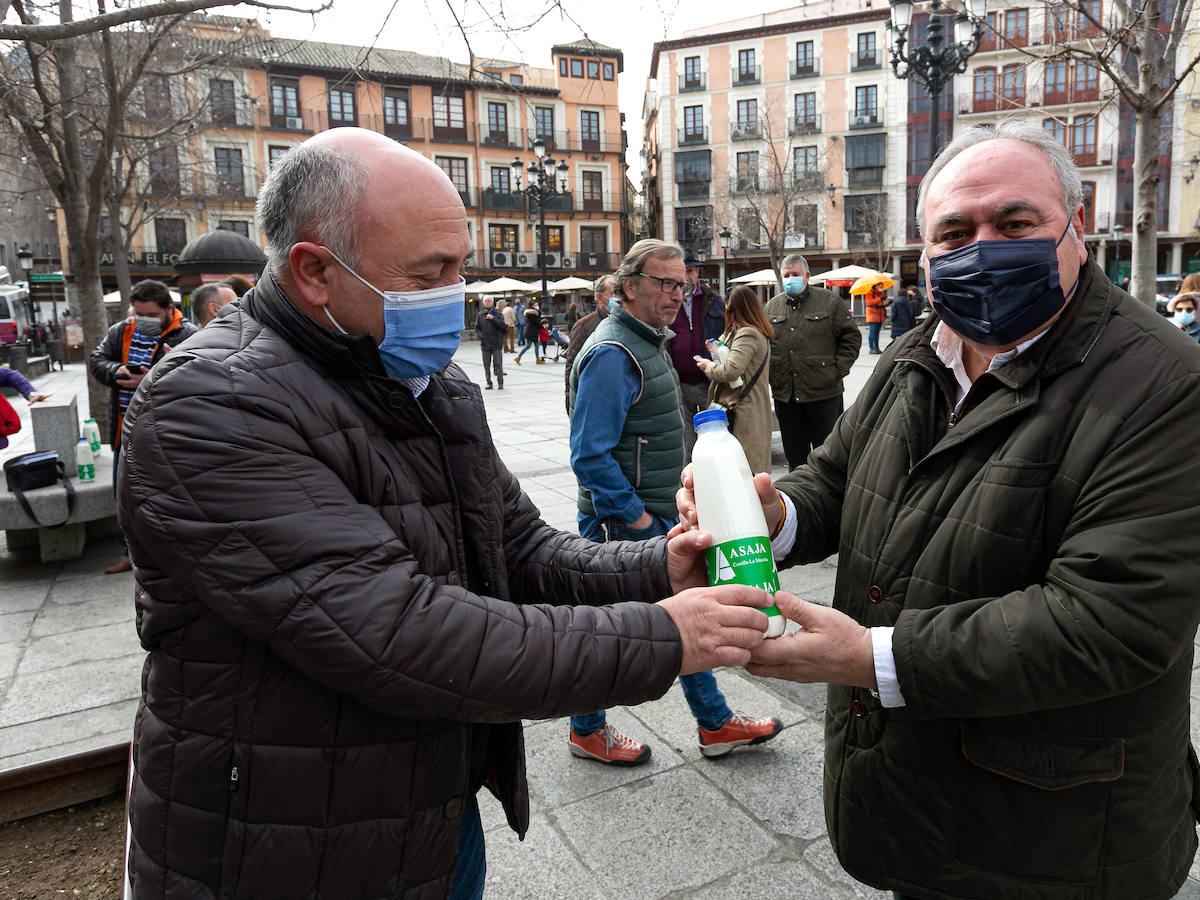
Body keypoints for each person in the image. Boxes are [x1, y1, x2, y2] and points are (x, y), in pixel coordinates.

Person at [118, 129, 773, 898]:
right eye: (432, 274)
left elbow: (521, 547)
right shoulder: (212, 405)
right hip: (283, 838)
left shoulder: (428, 382)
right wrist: (665, 635)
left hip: (427, 802)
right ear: (316, 270)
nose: (456, 293)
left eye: (461, 267)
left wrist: (657, 566)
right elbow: (404, 631)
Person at [678, 121, 1200, 899]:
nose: (983, 247)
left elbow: (1112, 622)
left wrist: (872, 658)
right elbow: (837, 480)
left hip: (1054, 834)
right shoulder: (920, 350)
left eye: (1015, 224)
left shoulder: (1165, 386)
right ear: (927, 254)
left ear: (1076, 230)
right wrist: (768, 517)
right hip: (912, 795)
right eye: (955, 231)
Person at [567, 238, 782, 767]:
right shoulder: (613, 352)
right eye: (664, 283)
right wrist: (637, 518)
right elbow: (589, 455)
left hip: (655, 513)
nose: (676, 294)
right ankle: (589, 727)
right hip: (624, 522)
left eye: (681, 284)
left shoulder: (648, 342)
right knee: (610, 630)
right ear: (628, 287)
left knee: (682, 616)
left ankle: (713, 724)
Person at [89, 278, 197, 575]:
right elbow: (97, 361)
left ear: (167, 310)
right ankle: (130, 553)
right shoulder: (121, 331)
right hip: (124, 432)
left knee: (170, 496)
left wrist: (156, 375)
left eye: (150, 315)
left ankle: (173, 554)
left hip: (168, 435)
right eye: (138, 314)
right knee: (123, 497)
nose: (142, 320)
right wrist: (117, 370)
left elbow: (199, 375)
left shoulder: (189, 334)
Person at [764, 254, 861, 470]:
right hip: (786, 397)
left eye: (795, 274)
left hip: (824, 394)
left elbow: (851, 337)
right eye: (786, 275)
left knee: (828, 456)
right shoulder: (771, 308)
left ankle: (828, 501)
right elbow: (764, 346)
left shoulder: (829, 302)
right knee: (795, 457)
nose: (790, 279)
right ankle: (798, 500)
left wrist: (837, 370)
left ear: (807, 276)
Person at [697, 285, 774, 474]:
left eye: (728, 305)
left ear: (735, 307)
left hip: (744, 412)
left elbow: (731, 370)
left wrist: (708, 366)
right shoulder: (745, 332)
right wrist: (717, 351)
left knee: (743, 473)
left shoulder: (748, 334)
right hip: (742, 407)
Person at [667, 247, 726, 430]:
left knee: (715, 432)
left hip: (710, 381)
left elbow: (726, 335)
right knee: (686, 439)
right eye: (681, 273)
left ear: (697, 272)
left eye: (690, 271)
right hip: (679, 383)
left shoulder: (713, 300)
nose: (685, 278)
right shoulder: (668, 301)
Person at [564, 273, 615, 413]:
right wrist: (572, 408)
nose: (618, 298)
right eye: (613, 293)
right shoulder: (584, 326)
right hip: (595, 401)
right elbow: (572, 368)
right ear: (599, 297)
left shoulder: (628, 322)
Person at [476, 294, 506, 390]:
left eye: (489, 301)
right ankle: (489, 382)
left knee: (498, 363)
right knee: (486, 364)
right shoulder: (481, 314)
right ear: (483, 303)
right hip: (485, 344)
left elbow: (502, 326)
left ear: (492, 302)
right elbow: (477, 328)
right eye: (486, 301)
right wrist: (481, 336)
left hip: (496, 343)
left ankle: (500, 382)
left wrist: (493, 319)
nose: (487, 302)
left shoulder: (498, 313)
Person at [514, 300, 545, 364]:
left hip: (530, 331)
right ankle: (519, 358)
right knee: (531, 346)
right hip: (532, 332)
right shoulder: (532, 313)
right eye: (535, 305)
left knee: (532, 346)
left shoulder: (530, 313)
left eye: (537, 305)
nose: (537, 306)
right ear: (532, 306)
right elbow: (536, 322)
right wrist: (542, 327)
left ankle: (519, 358)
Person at [863, 285, 889, 353]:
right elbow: (869, 302)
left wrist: (887, 302)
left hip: (880, 315)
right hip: (873, 315)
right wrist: (880, 299)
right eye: (880, 286)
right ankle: (872, 348)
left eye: (882, 286)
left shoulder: (881, 293)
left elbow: (881, 303)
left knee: (877, 333)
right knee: (872, 332)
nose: (881, 287)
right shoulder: (869, 293)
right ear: (875, 286)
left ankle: (876, 347)